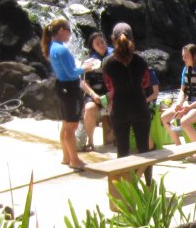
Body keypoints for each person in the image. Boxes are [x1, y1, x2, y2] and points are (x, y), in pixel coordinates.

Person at [41, 17, 97, 170]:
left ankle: (66, 156)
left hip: (62, 86)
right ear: (61, 31)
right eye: (68, 31)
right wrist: (86, 68)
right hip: (70, 88)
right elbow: (72, 73)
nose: (70, 35)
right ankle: (74, 159)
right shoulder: (61, 49)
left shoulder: (53, 47)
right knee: (71, 126)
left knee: (66, 124)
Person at [102, 22, 155, 182]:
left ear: (113, 40)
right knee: (144, 150)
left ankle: (124, 190)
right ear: (132, 39)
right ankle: (148, 187)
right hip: (139, 105)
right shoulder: (140, 60)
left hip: (119, 107)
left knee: (122, 151)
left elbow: (109, 85)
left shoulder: (108, 63)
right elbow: (145, 83)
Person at [160, 44, 196, 158]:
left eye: (186, 56)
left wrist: (188, 108)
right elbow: (182, 91)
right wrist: (179, 104)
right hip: (190, 102)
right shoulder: (186, 69)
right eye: (183, 56)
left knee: (185, 122)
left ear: (194, 56)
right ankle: (179, 149)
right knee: (165, 117)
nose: (184, 59)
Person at [79, 31, 112, 151]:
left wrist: (111, 93)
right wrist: (94, 95)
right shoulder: (88, 61)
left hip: (112, 93)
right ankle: (91, 142)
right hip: (94, 93)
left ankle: (118, 138)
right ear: (92, 46)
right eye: (97, 43)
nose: (101, 45)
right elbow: (83, 82)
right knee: (89, 108)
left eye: (102, 42)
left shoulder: (114, 55)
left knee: (118, 105)